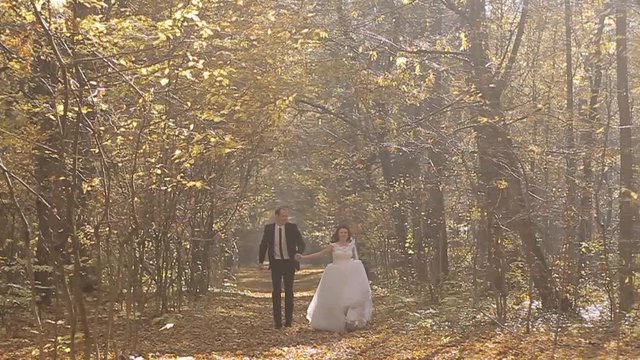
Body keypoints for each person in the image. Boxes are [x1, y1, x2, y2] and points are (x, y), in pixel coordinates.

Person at [296, 225, 373, 332]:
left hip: (350, 273)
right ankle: (336, 321)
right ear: (338, 234)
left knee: (351, 296)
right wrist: (304, 257)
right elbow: (320, 254)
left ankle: (351, 319)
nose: (343, 234)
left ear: (348, 234)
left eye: (345, 232)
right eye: (341, 232)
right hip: (336, 273)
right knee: (337, 297)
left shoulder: (352, 245)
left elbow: (356, 259)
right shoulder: (333, 246)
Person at [258, 207, 306, 329]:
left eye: (286, 216)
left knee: (289, 291)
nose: (285, 218)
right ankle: (278, 322)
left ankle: (288, 321)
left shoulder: (292, 227)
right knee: (276, 291)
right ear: (277, 216)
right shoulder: (269, 229)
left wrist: (298, 253)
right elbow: (264, 245)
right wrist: (261, 261)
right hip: (276, 263)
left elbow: (301, 243)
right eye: (283, 216)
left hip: (289, 262)